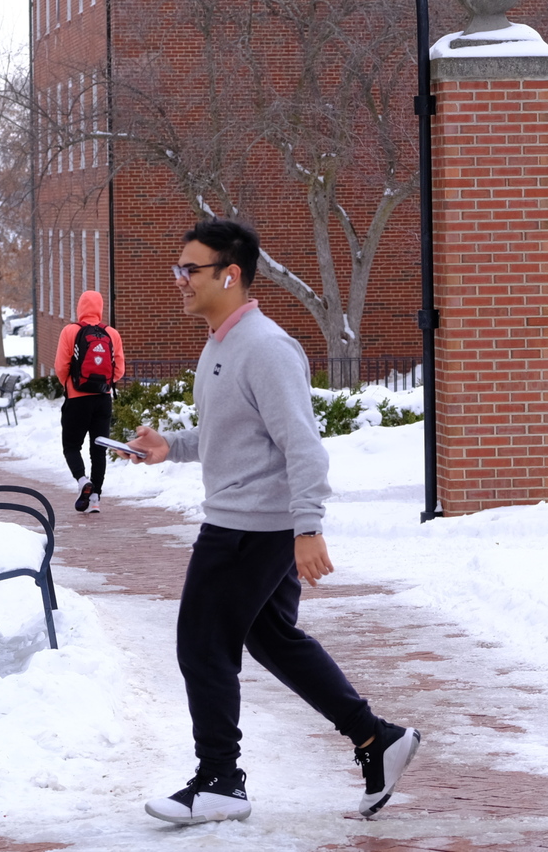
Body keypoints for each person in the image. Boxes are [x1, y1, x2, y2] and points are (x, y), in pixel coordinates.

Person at [127, 219, 420, 826]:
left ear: (229, 275)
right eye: (178, 269)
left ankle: (220, 781)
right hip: (249, 521)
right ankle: (377, 739)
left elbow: (303, 446)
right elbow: (234, 433)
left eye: (191, 269)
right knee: (272, 639)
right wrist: (170, 447)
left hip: (249, 528)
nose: (179, 280)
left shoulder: (265, 347)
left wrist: (308, 527)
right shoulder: (223, 343)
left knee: (202, 645)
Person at [54, 289, 126, 514]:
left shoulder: (70, 331)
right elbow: (119, 369)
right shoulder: (111, 333)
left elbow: (61, 366)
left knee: (72, 446)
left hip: (77, 399)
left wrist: (70, 384)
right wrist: (104, 384)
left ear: (80, 307)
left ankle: (82, 480)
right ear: (100, 308)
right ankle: (95, 498)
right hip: (103, 400)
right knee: (99, 448)